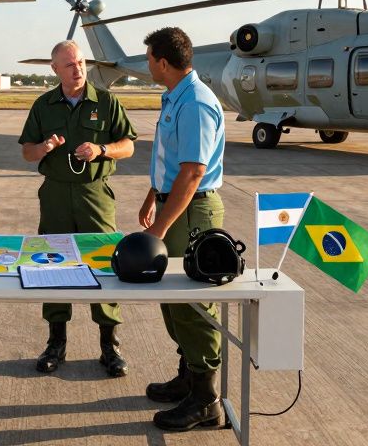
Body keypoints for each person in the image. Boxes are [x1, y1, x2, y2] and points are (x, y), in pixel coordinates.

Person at [18, 40, 136, 377]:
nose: (78, 69)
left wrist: (102, 150)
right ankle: (56, 343)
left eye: (81, 62)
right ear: (55, 69)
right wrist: (43, 147)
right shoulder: (44, 105)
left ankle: (109, 345)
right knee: (52, 265)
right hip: (55, 195)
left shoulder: (107, 101)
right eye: (69, 65)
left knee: (103, 263)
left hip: (94, 194)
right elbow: (27, 152)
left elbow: (127, 146)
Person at [136, 27, 228, 432]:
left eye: (149, 58)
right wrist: (152, 195)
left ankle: (206, 401)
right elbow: (172, 162)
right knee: (173, 300)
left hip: (191, 213)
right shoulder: (175, 96)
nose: (147, 65)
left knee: (192, 305)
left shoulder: (194, 103)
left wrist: (159, 227)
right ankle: (189, 377)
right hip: (172, 203)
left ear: (161, 61)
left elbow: (192, 173)